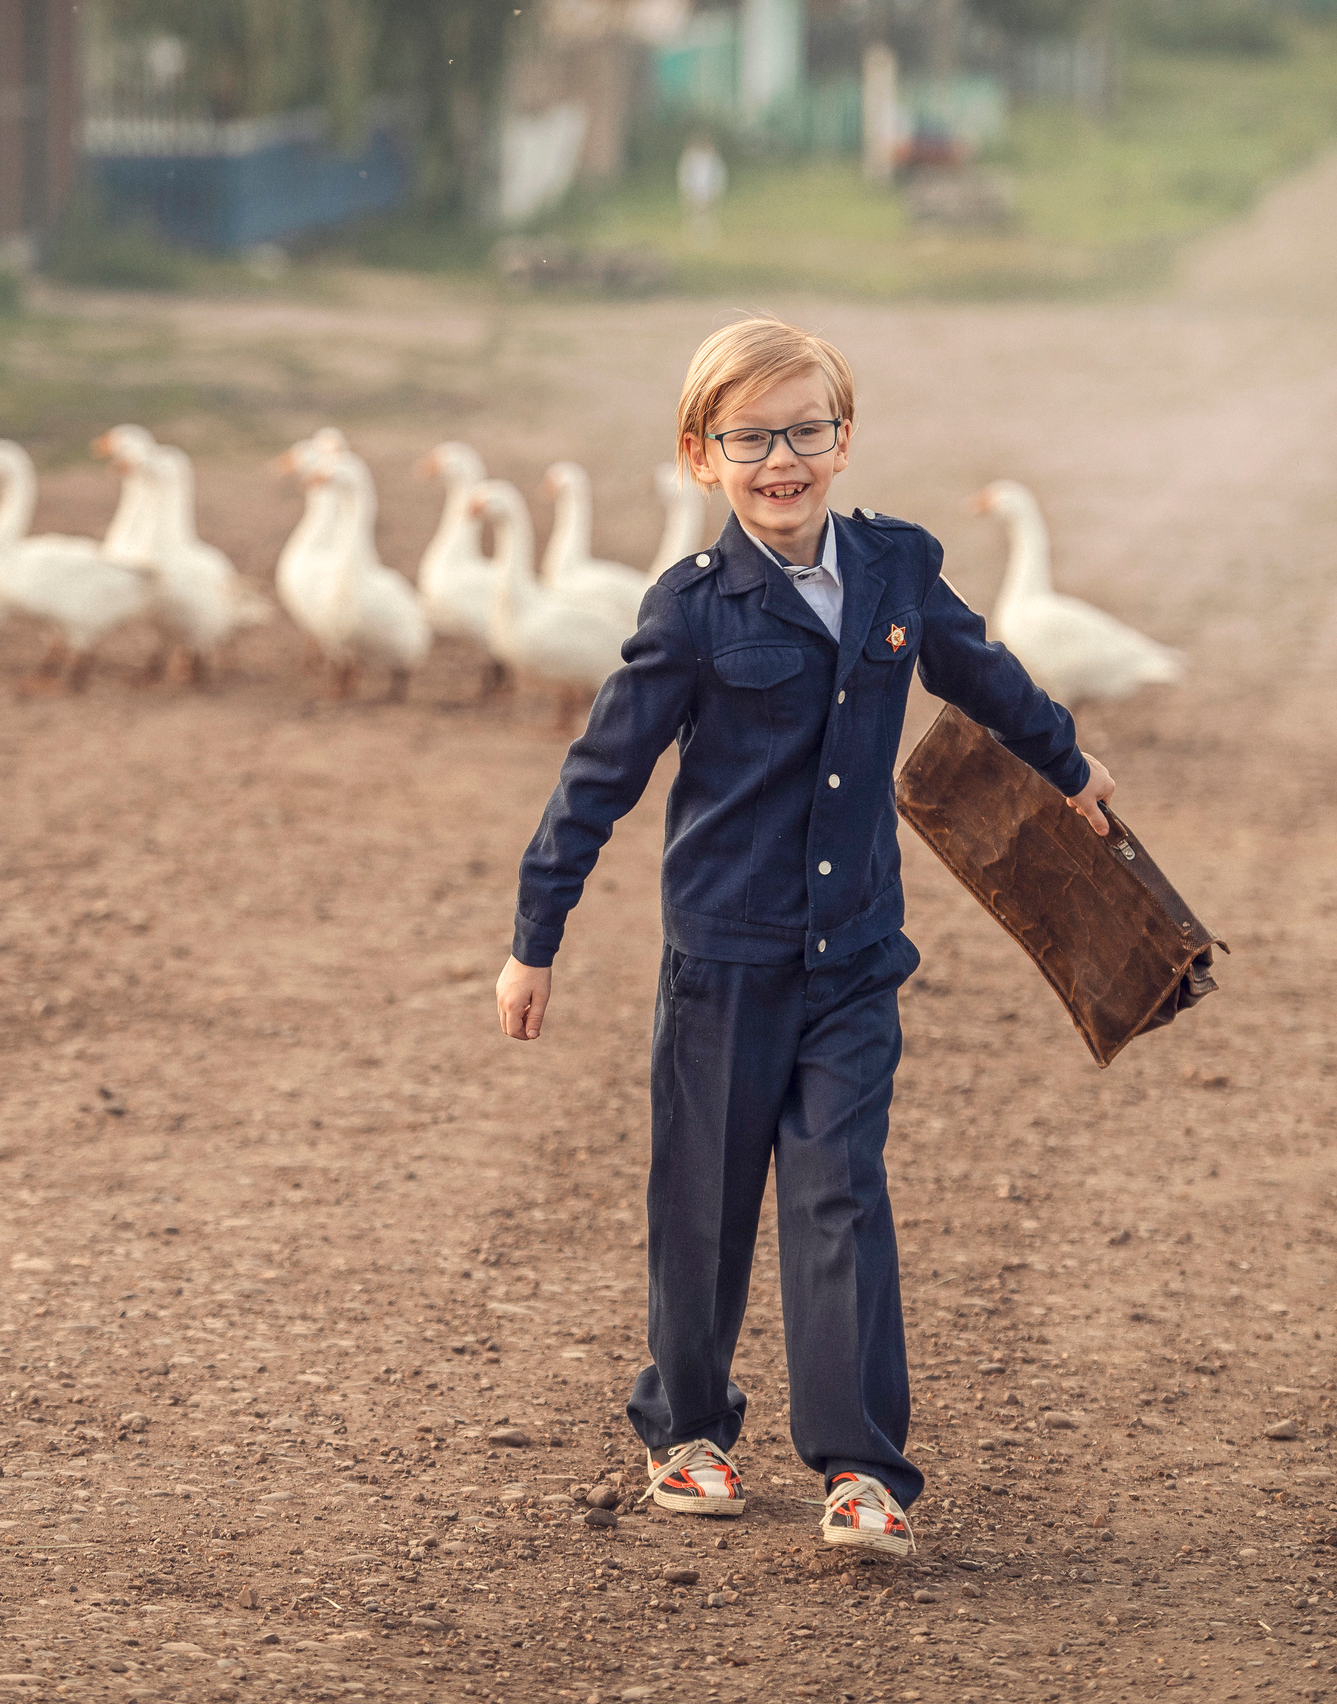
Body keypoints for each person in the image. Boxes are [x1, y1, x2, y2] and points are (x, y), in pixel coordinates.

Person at [492, 315, 1116, 1552]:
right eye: (751, 439)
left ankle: (860, 1467)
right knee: (706, 1203)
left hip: (851, 959)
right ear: (701, 455)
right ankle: (685, 1430)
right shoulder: (688, 611)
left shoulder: (893, 569)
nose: (782, 461)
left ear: (845, 439)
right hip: (722, 961)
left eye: (806, 432)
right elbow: (596, 780)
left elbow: (978, 672)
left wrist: (1071, 765)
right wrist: (534, 937)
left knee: (841, 1194)